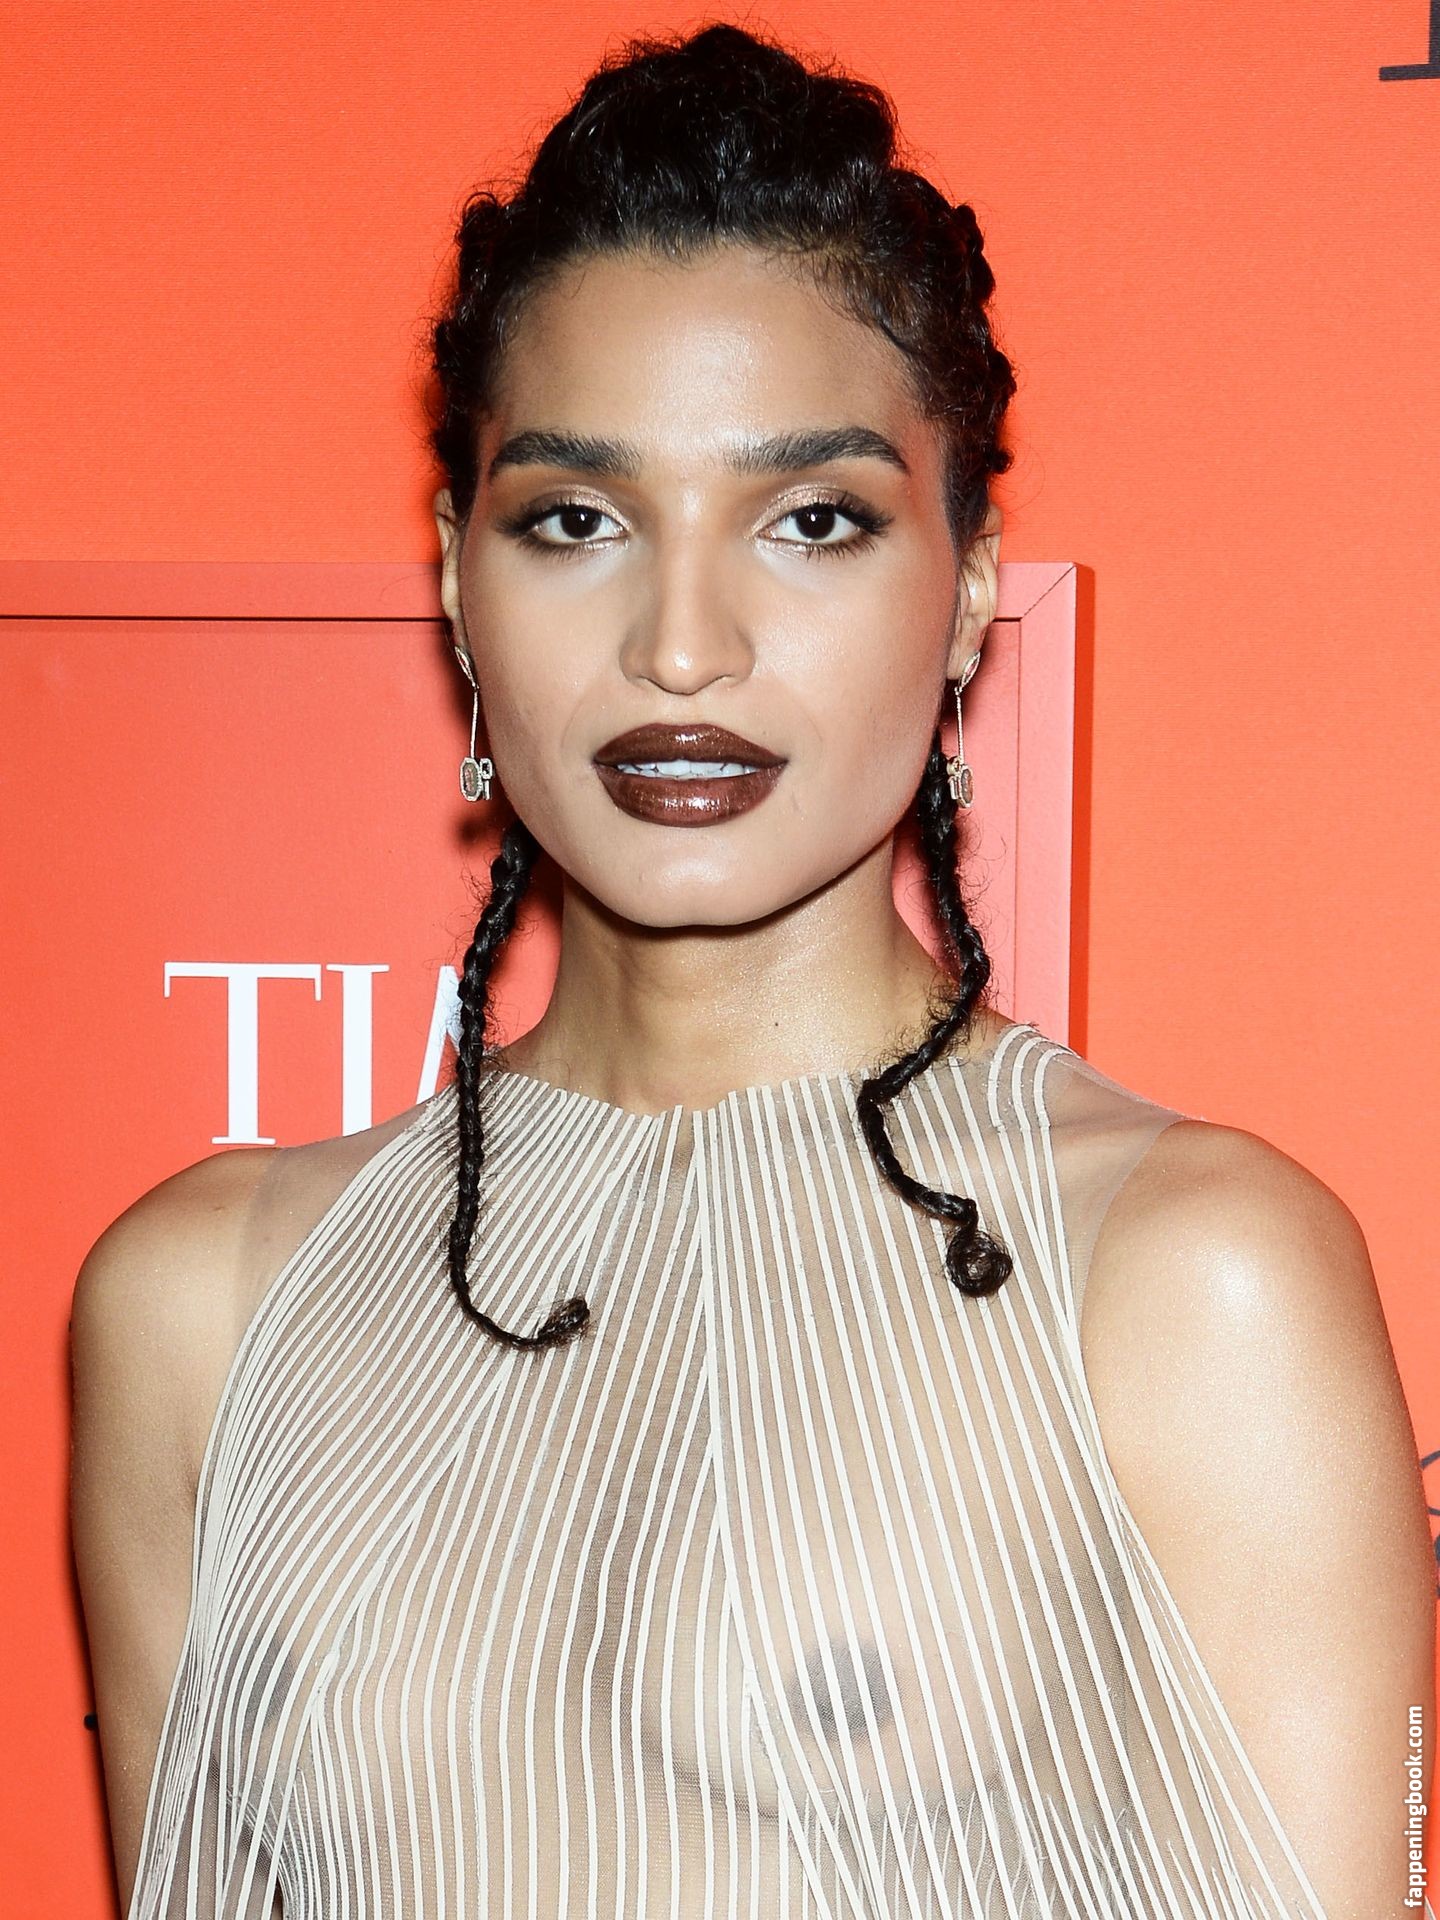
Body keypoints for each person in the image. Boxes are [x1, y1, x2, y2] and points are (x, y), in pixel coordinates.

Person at [69, 21, 1435, 1919]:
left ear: (967, 588)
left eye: (813, 520)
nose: (683, 643)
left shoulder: (1191, 1276)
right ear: (457, 579)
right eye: (575, 520)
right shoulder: (202, 1308)